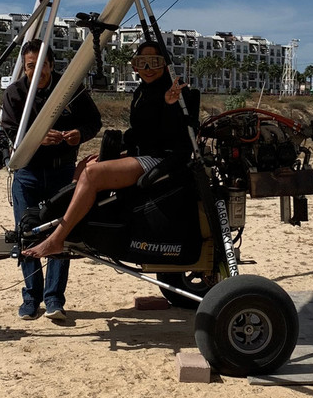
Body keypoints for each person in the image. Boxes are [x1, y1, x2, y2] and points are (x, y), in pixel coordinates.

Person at [23, 41, 195, 260]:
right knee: (86, 165)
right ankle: (80, 226)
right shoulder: (142, 91)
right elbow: (139, 133)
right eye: (143, 62)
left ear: (165, 64)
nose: (149, 68)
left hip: (162, 158)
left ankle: (56, 239)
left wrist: (170, 104)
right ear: (135, 67)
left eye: (155, 62)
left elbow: (174, 134)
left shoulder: (174, 91)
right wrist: (113, 151)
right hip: (142, 153)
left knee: (92, 175)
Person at [1, 39, 101, 321]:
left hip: (62, 172)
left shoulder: (71, 90)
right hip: (28, 173)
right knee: (27, 232)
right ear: (25, 67)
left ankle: (54, 299)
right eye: (31, 66)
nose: (38, 72)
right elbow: (8, 132)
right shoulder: (15, 93)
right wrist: (35, 139)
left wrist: (80, 133)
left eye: (43, 65)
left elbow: (94, 122)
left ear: (51, 65)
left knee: (61, 232)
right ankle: (31, 298)